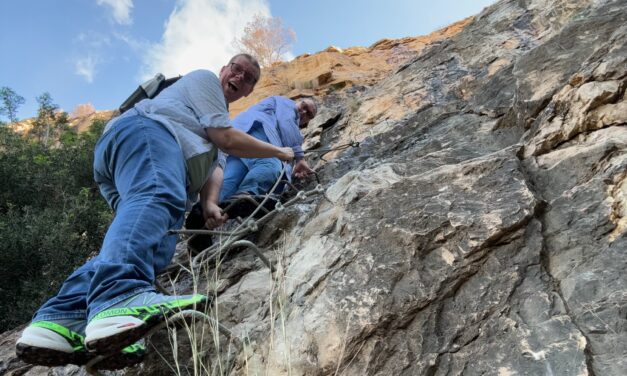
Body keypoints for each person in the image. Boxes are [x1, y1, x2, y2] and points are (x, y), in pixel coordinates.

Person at [15, 54, 294, 369]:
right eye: (237, 68)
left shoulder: (213, 125)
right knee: (157, 196)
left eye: (249, 78)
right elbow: (227, 141)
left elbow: (215, 169)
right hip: (149, 133)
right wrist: (280, 152)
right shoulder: (203, 81)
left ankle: (62, 319)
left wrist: (210, 204)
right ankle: (118, 297)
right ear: (223, 70)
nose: (240, 77)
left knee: (151, 242)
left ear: (248, 92)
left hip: (134, 161)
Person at [194, 96, 316, 229]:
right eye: (303, 106)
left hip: (239, 146)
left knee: (227, 183)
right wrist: (300, 158)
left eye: (309, 114)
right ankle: (241, 200)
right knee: (270, 167)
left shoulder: (291, 131)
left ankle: (202, 217)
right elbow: (286, 124)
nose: (303, 112)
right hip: (259, 135)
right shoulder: (285, 104)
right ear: (297, 101)